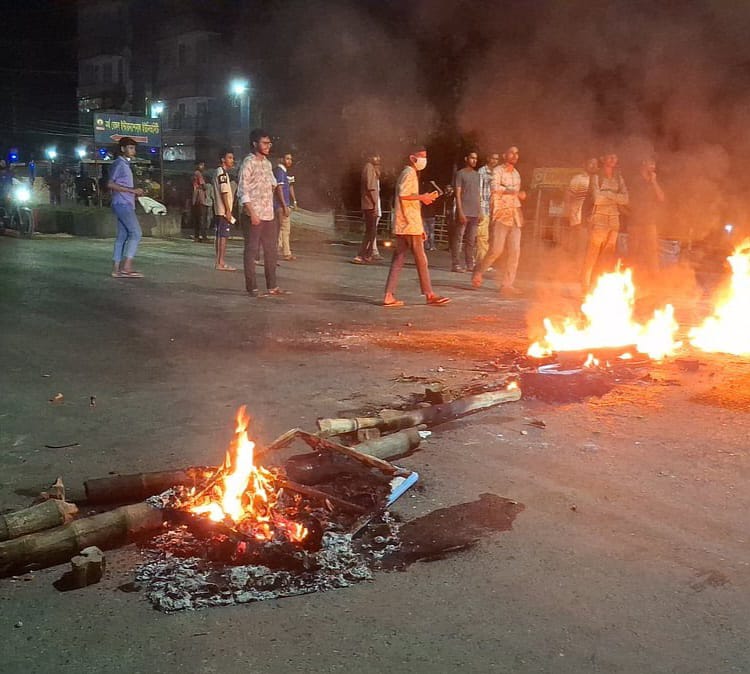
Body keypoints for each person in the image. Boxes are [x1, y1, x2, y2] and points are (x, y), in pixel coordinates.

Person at [382, 146, 450, 307]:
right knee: (421, 259)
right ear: (412, 158)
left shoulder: (408, 173)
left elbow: (408, 200)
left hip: (406, 224)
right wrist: (423, 197)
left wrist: (421, 225)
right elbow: (404, 195)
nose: (424, 160)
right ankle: (429, 294)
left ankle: (388, 295)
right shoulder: (409, 173)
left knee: (399, 259)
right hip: (409, 225)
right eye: (421, 156)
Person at [238, 128, 288, 297]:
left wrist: (278, 204)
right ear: (255, 144)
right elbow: (242, 190)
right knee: (252, 252)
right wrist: (252, 212)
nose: (268, 146)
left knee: (271, 251)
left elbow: (274, 184)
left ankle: (272, 286)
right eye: (265, 143)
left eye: (269, 143)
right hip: (253, 216)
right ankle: (252, 287)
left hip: (268, 215)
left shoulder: (267, 163)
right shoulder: (248, 163)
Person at [472, 145, 526, 296]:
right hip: (501, 215)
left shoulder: (516, 174)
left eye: (517, 153)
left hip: (514, 216)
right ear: (504, 155)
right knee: (496, 250)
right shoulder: (497, 171)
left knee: (515, 252)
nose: (515, 155)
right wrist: (512, 191)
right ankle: (479, 271)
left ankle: (507, 284)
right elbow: (494, 187)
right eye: (511, 153)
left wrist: (519, 211)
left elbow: (515, 196)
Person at [581, 152, 629, 290]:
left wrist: (607, 194)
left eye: (615, 157)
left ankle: (600, 282)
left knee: (608, 253)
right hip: (599, 216)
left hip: (614, 218)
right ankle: (585, 284)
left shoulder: (618, 177)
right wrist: (615, 196)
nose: (613, 159)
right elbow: (597, 198)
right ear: (603, 159)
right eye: (610, 157)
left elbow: (626, 199)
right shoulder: (596, 176)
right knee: (593, 251)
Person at [107, 137, 145, 278]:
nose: (133, 151)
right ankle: (127, 267)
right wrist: (132, 191)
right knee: (136, 233)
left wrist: (134, 192)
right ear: (123, 149)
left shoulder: (125, 164)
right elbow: (110, 184)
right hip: (123, 203)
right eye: (130, 148)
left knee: (122, 236)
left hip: (123, 203)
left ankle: (116, 269)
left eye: (133, 148)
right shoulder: (120, 164)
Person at [627, 156, 665, 281]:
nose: (653, 166)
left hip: (650, 221)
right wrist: (630, 213)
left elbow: (661, 198)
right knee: (633, 251)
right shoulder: (635, 180)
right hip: (635, 221)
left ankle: (654, 278)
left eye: (654, 164)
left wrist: (654, 182)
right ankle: (631, 277)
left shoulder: (654, 181)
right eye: (651, 163)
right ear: (644, 164)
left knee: (652, 251)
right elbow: (627, 199)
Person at [452, 150, 481, 272]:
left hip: (474, 212)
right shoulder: (460, 174)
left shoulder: (477, 175)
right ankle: (456, 264)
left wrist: (480, 210)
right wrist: (460, 211)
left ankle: (470, 264)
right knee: (458, 239)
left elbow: (478, 194)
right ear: (466, 159)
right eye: (472, 158)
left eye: (476, 158)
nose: (474, 160)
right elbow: (457, 194)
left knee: (471, 240)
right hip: (464, 211)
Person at [563, 157, 598, 257]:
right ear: (584, 164)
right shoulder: (578, 178)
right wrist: (569, 214)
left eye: (595, 163)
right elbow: (568, 196)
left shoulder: (598, 180)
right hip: (579, 219)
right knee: (579, 247)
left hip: (594, 220)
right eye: (591, 163)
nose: (593, 166)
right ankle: (573, 265)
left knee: (591, 249)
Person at [353, 152, 382, 264]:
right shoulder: (369, 168)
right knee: (370, 231)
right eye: (376, 156)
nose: (378, 159)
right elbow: (371, 188)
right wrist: (375, 204)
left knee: (372, 231)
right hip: (370, 204)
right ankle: (362, 254)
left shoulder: (371, 168)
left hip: (370, 204)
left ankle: (368, 254)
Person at [212, 149, 236, 271]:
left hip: (220, 210)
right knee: (223, 236)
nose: (232, 160)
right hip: (223, 211)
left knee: (220, 235)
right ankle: (220, 262)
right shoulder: (221, 172)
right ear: (223, 159)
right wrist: (228, 210)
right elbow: (224, 192)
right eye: (230, 158)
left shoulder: (221, 172)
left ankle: (219, 261)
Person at [477, 152, 500, 265]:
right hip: (484, 207)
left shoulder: (497, 173)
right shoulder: (482, 171)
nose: (495, 161)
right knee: (482, 236)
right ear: (488, 158)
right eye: (493, 158)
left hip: (495, 209)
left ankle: (486, 262)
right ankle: (481, 262)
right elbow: (479, 191)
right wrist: (479, 209)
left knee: (492, 237)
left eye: (497, 159)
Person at [274, 152, 297, 261]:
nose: (289, 161)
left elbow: (290, 187)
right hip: (281, 205)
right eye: (287, 158)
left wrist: (294, 201)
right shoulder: (280, 171)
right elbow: (279, 189)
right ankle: (285, 253)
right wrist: (284, 206)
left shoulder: (284, 171)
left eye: (290, 159)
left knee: (282, 229)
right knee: (284, 229)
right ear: (281, 159)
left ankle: (280, 251)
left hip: (283, 204)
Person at [191, 160, 209, 242]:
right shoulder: (198, 174)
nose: (203, 167)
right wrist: (205, 187)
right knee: (202, 219)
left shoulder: (194, 174)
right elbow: (203, 185)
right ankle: (203, 236)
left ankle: (197, 236)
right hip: (200, 198)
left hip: (195, 199)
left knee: (197, 219)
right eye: (201, 165)